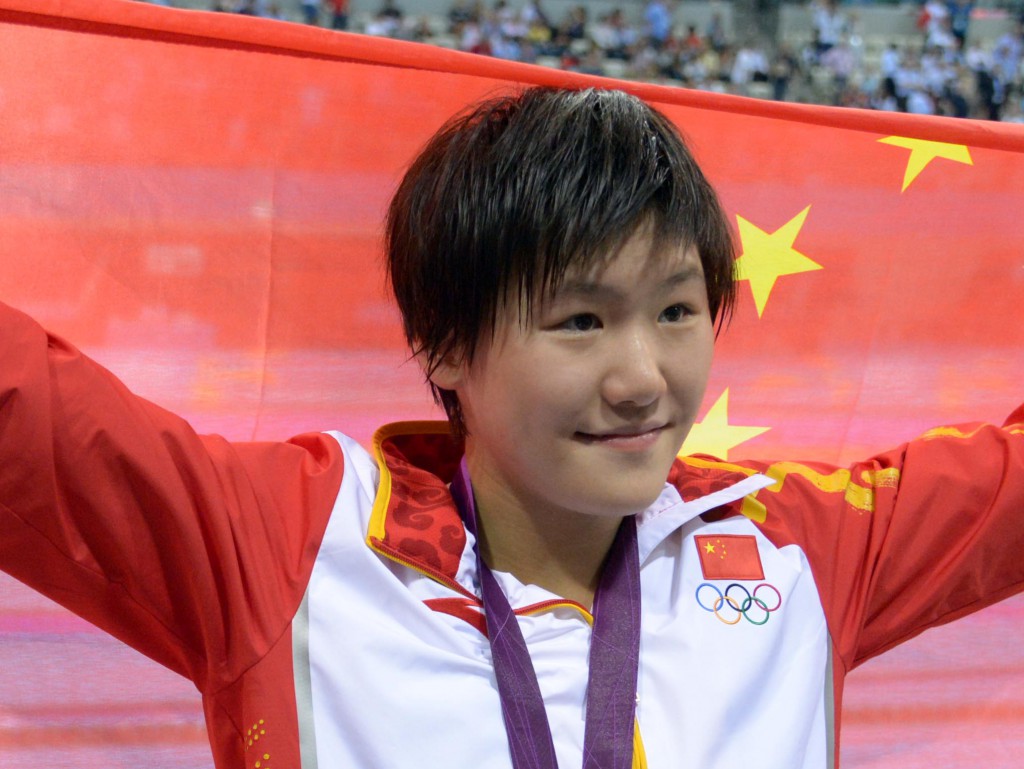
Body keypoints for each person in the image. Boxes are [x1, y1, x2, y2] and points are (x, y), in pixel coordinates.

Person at [1, 87, 1023, 769]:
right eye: (580, 320)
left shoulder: (798, 546)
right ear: (443, 345)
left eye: (674, 311)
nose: (642, 379)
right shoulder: (285, 545)